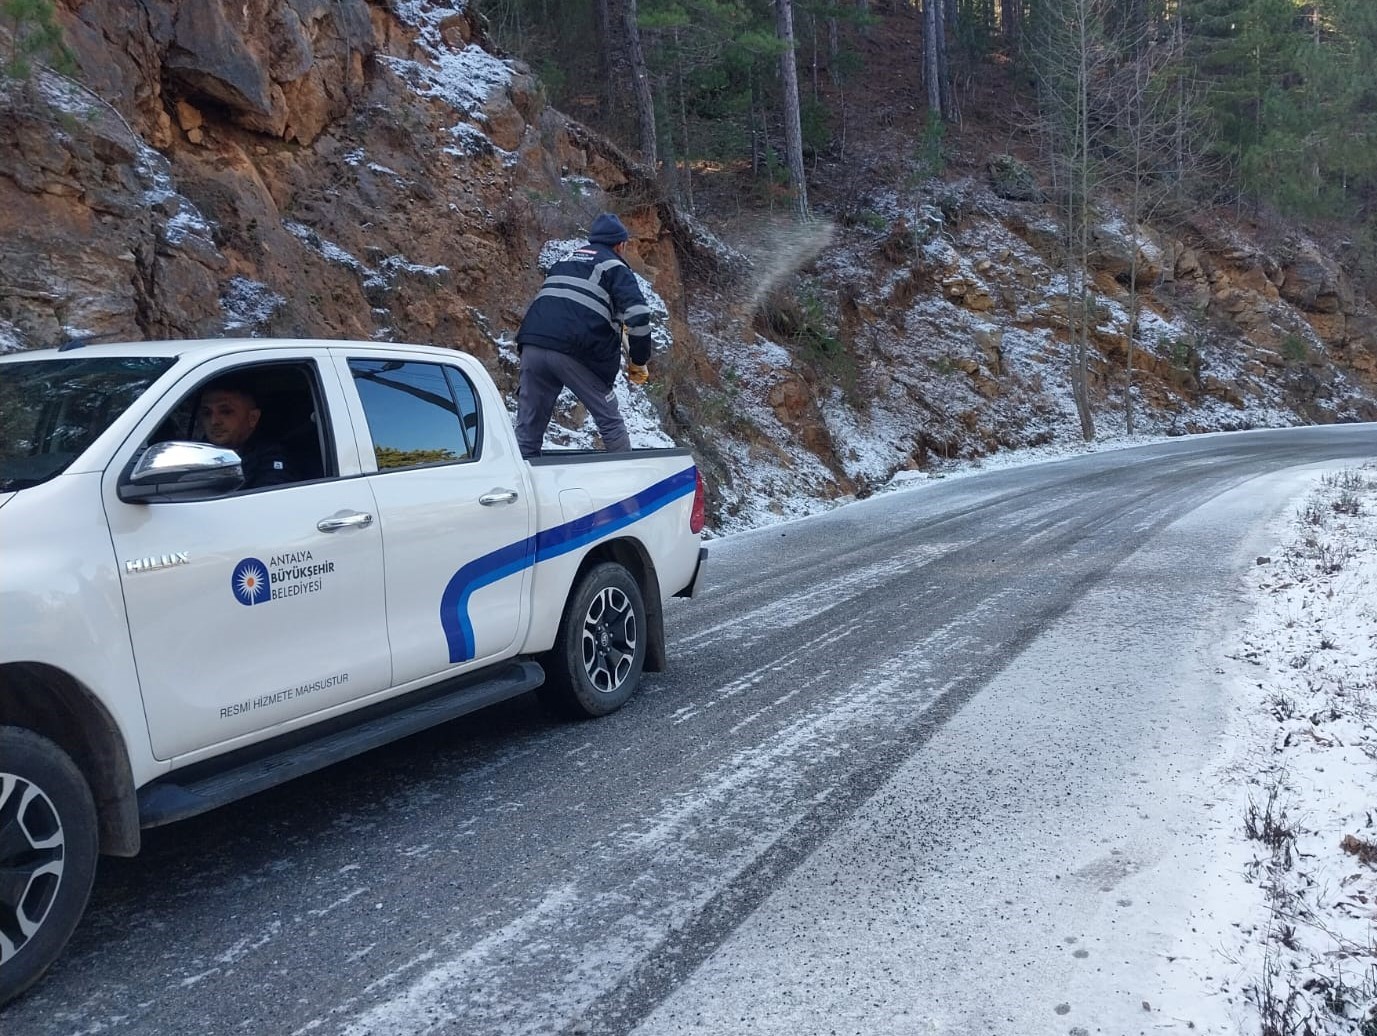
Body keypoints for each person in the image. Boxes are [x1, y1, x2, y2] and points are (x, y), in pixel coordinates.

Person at [514, 212, 653, 459]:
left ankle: (519, 487)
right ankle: (630, 488)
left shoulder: (564, 262)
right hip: (573, 348)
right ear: (620, 245)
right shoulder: (615, 266)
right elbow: (639, 314)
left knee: (528, 428)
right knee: (609, 419)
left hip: (532, 343)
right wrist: (639, 361)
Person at [198, 377, 293, 490]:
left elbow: (268, 502)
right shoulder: (195, 453)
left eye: (226, 412)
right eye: (207, 413)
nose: (214, 421)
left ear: (253, 418)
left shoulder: (271, 458)